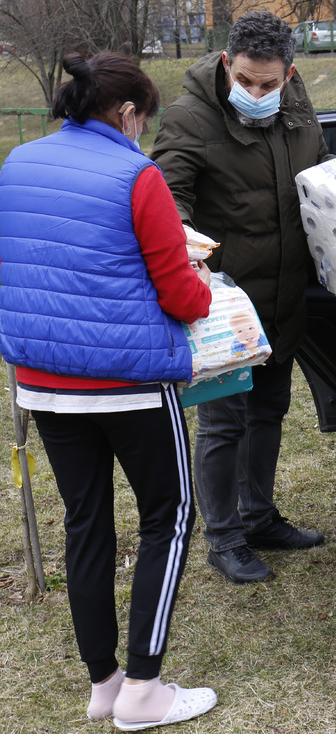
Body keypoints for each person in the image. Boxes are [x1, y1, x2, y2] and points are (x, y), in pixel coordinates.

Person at [0, 52, 218, 729]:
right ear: (128, 114)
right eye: (142, 121)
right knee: (170, 516)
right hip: (128, 382)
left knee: (85, 521)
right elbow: (181, 292)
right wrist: (206, 290)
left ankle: (105, 682)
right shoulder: (137, 175)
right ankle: (144, 691)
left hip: (43, 383)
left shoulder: (16, 163)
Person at [151, 11, 336, 584]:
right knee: (224, 423)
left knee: (270, 412)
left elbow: (314, 182)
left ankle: (260, 517)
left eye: (268, 84)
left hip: (284, 296)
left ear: (290, 73)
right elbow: (166, 195)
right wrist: (184, 246)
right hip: (225, 304)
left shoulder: (298, 109)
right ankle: (224, 537)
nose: (255, 93)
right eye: (246, 81)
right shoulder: (189, 117)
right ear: (228, 64)